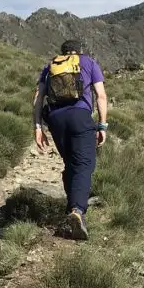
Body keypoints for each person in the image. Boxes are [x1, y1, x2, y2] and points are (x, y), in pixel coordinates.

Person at [33, 39, 108, 240]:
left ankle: (71, 209)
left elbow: (39, 98)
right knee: (84, 164)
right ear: (79, 51)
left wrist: (38, 126)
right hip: (79, 117)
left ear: (63, 52)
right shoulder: (89, 63)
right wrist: (102, 125)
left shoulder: (50, 66)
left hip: (56, 119)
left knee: (71, 163)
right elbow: (100, 95)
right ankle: (77, 212)